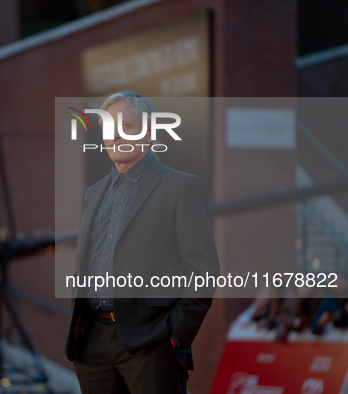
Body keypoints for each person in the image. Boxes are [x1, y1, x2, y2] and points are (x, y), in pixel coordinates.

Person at [64, 92, 220, 393]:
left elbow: (203, 269)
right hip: (92, 342)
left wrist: (175, 334)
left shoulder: (182, 187)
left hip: (152, 343)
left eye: (128, 126)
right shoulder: (92, 195)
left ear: (148, 132)